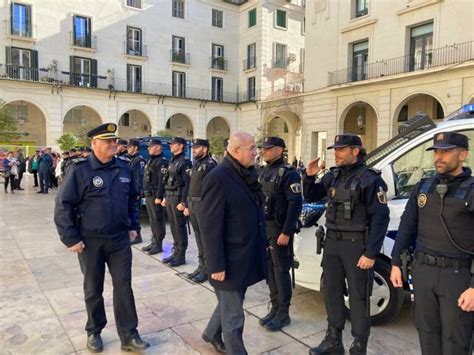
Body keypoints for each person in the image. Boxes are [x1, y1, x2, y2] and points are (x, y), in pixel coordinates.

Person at [54, 123, 150, 353]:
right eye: (107, 141)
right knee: (93, 287)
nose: (113, 145)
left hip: (119, 239)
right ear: (94, 144)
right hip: (90, 241)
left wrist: (133, 226)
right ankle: (94, 331)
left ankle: (129, 334)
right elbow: (63, 205)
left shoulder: (124, 167)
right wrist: (70, 238)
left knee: (124, 286)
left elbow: (132, 199)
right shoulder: (80, 170)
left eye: (114, 141)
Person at [303, 134, 390, 355]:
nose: (337, 153)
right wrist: (309, 176)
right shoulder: (333, 176)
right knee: (331, 291)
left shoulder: (371, 179)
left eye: (342, 149)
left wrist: (371, 253)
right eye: (335, 150)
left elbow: (380, 218)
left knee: (359, 296)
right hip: (332, 243)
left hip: (356, 246)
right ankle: (333, 339)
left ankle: (359, 344)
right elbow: (312, 195)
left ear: (355, 151)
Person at [390, 132, 474, 355]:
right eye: (437, 151)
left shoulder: (472, 189)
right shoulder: (423, 187)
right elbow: (407, 226)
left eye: (446, 152)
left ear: (463, 155)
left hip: (457, 276)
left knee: (455, 340)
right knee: (427, 334)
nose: (439, 157)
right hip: (424, 272)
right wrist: (396, 262)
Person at [199, 132, 267, 355]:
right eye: (251, 148)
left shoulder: (246, 173)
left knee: (231, 303)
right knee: (234, 316)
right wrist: (216, 264)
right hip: (228, 261)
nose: (256, 152)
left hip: (245, 256)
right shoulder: (218, 177)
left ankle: (210, 333)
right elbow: (209, 226)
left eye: (255, 147)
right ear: (235, 151)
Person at [258, 137, 302, 331]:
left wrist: (286, 231)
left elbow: (295, 204)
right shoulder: (264, 171)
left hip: (278, 228)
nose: (264, 152)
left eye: (268, 149)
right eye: (263, 149)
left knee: (281, 270)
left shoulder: (289, 173)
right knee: (269, 269)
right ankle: (274, 307)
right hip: (264, 227)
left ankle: (283, 313)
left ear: (279, 150)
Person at [184, 139, 217, 283]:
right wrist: (186, 204)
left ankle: (208, 269)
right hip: (193, 204)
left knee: (205, 239)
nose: (193, 150)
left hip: (203, 205)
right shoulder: (197, 164)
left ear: (205, 149)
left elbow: (212, 189)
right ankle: (201, 265)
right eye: (193, 148)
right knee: (198, 238)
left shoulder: (211, 165)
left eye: (196, 148)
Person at [162, 136, 192, 267]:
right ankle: (175, 252)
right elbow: (166, 180)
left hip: (178, 198)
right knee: (173, 226)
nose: (170, 146)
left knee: (179, 227)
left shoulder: (185, 162)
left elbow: (187, 184)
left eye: (173, 144)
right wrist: (164, 196)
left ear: (180, 146)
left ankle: (181, 256)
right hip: (169, 196)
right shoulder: (173, 160)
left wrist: (184, 202)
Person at [141, 138, 169, 255]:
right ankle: (153, 242)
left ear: (158, 147)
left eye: (151, 146)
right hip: (149, 195)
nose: (149, 148)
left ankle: (158, 244)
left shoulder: (161, 161)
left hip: (155, 195)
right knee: (152, 220)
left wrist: (159, 196)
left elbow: (162, 181)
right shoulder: (151, 161)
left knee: (158, 219)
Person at [127, 139, 146, 244]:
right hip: (130, 190)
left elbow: (140, 177)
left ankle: (138, 236)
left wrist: (138, 192)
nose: (128, 149)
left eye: (130, 147)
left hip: (135, 191)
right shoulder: (131, 159)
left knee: (135, 214)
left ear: (135, 148)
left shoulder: (139, 160)